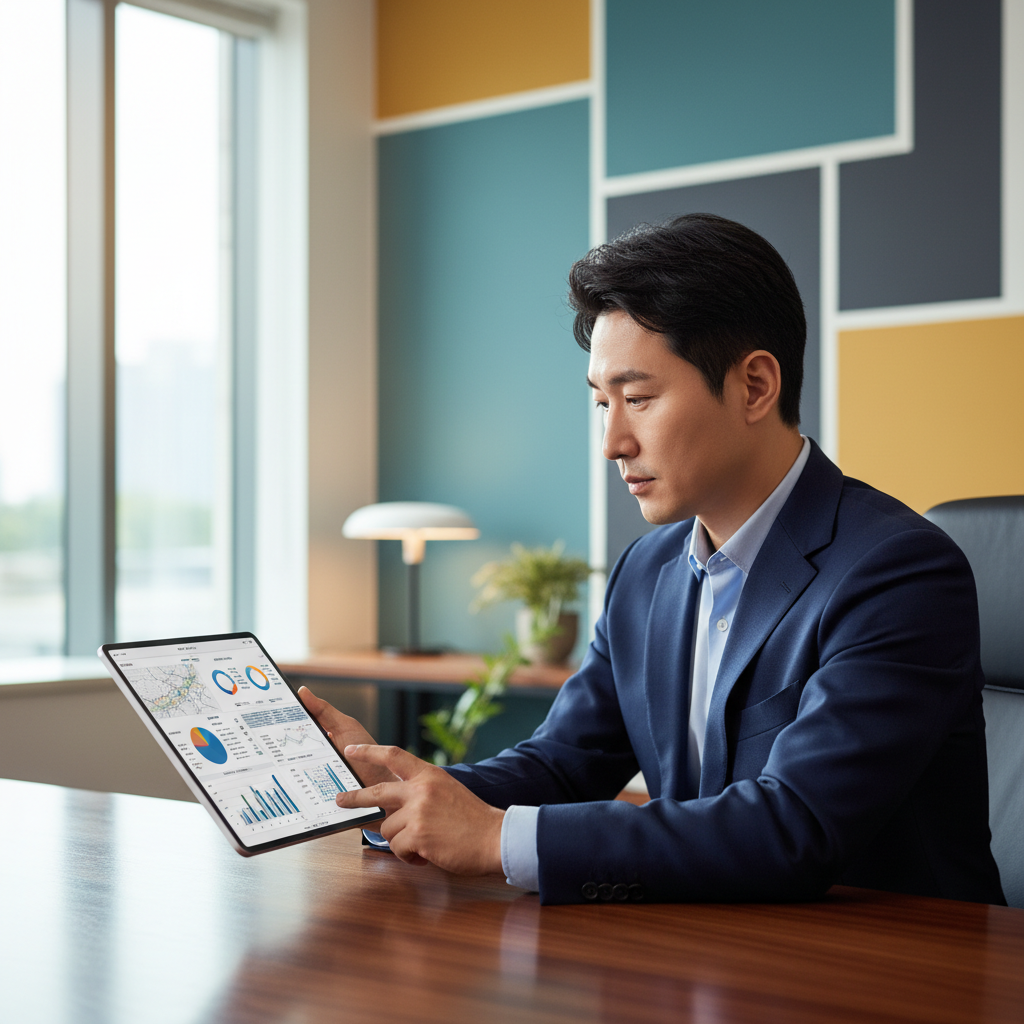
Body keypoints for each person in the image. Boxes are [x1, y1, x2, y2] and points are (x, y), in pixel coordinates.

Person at [300, 213, 1005, 906]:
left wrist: (496, 840)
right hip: (715, 954)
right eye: (602, 404)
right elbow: (563, 763)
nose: (612, 442)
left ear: (756, 386)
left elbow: (794, 827)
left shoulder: (899, 571)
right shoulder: (648, 570)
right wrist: (396, 787)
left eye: (637, 398)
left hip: (897, 975)